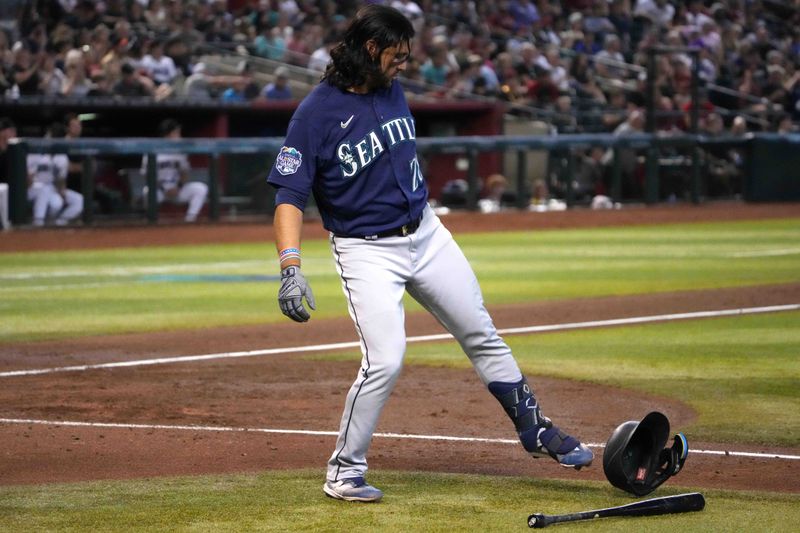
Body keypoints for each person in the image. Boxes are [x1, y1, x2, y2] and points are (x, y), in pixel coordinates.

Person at [266, 5, 593, 504]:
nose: (405, 65)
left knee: (479, 330)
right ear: (371, 50)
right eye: (398, 55)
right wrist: (291, 266)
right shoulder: (316, 113)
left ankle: (535, 428)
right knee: (386, 360)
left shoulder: (390, 89)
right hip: (366, 250)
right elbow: (289, 196)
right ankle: (344, 470)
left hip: (427, 232)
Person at [141, 118, 208, 222]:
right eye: (176, 133)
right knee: (147, 191)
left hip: (177, 190)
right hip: (159, 190)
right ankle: (152, 221)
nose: (179, 137)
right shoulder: (152, 150)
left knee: (201, 188)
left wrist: (178, 187)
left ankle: (190, 220)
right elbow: (147, 176)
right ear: (168, 135)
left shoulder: (180, 152)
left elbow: (185, 173)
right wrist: (164, 189)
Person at [27, 122, 83, 226]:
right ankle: (37, 224)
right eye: (52, 137)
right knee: (44, 190)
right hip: (30, 189)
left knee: (67, 202)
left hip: (51, 188)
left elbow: (61, 181)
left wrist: (62, 192)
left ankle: (58, 224)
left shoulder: (61, 157)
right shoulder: (35, 151)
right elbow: (26, 178)